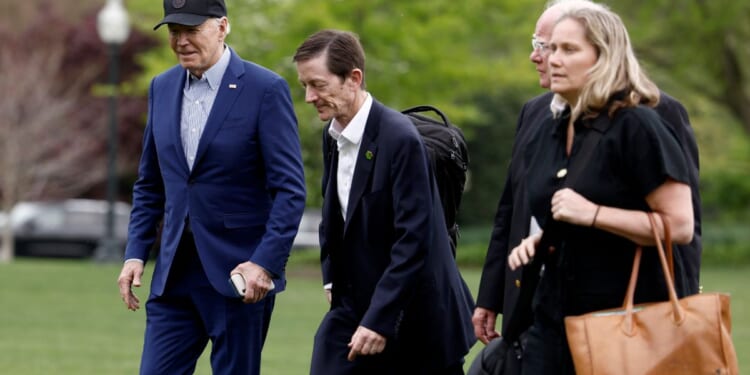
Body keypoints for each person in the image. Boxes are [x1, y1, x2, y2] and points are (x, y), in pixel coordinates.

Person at [472, 0, 702, 346]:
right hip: (550, 309)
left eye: (566, 49)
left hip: (619, 318)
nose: (550, 58)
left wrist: (593, 215)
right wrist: (541, 241)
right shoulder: (555, 121)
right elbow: (517, 207)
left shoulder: (641, 121)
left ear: (604, 56)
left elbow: (681, 226)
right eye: (548, 48)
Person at [116, 0, 306, 374]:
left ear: (222, 27)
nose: (181, 41)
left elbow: (290, 190)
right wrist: (135, 253)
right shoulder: (162, 87)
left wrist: (264, 264)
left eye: (192, 31)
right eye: (174, 32)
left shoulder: (265, 89)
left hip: (240, 278)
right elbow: (150, 183)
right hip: (173, 277)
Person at [293, 29, 475, 375]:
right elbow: (334, 217)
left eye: (317, 84)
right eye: (304, 85)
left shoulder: (400, 139)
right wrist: (332, 278)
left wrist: (379, 319)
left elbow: (414, 240)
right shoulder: (331, 134)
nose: (308, 96)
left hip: (419, 317)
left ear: (354, 78)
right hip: (356, 305)